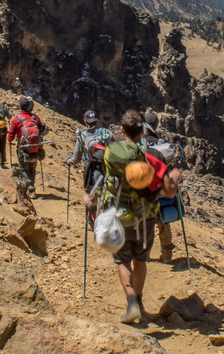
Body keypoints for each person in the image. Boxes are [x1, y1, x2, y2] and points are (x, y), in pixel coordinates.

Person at [84, 110, 182, 325]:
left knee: (122, 261)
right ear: (143, 130)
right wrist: (175, 176)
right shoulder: (153, 156)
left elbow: (98, 173)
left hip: (118, 216)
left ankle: (131, 304)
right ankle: (140, 302)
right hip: (145, 217)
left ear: (122, 130)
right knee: (140, 260)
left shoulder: (110, 152)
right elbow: (170, 191)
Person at [141, 112, 176, 264]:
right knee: (164, 222)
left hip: (142, 192)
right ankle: (167, 254)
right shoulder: (165, 146)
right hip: (161, 191)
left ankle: (145, 254)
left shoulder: (135, 146)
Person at [7, 96, 47, 197]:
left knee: (24, 168)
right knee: (32, 167)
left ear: (19, 106)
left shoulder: (16, 119)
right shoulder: (35, 118)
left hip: (23, 149)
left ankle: (30, 188)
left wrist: (9, 140)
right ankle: (32, 186)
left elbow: (11, 136)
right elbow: (41, 132)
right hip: (35, 148)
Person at [66, 110, 113, 193]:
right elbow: (115, 148)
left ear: (85, 121)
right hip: (107, 166)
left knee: (91, 194)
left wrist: (68, 161)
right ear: (96, 120)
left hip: (91, 167)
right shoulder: (106, 132)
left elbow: (76, 159)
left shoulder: (82, 137)